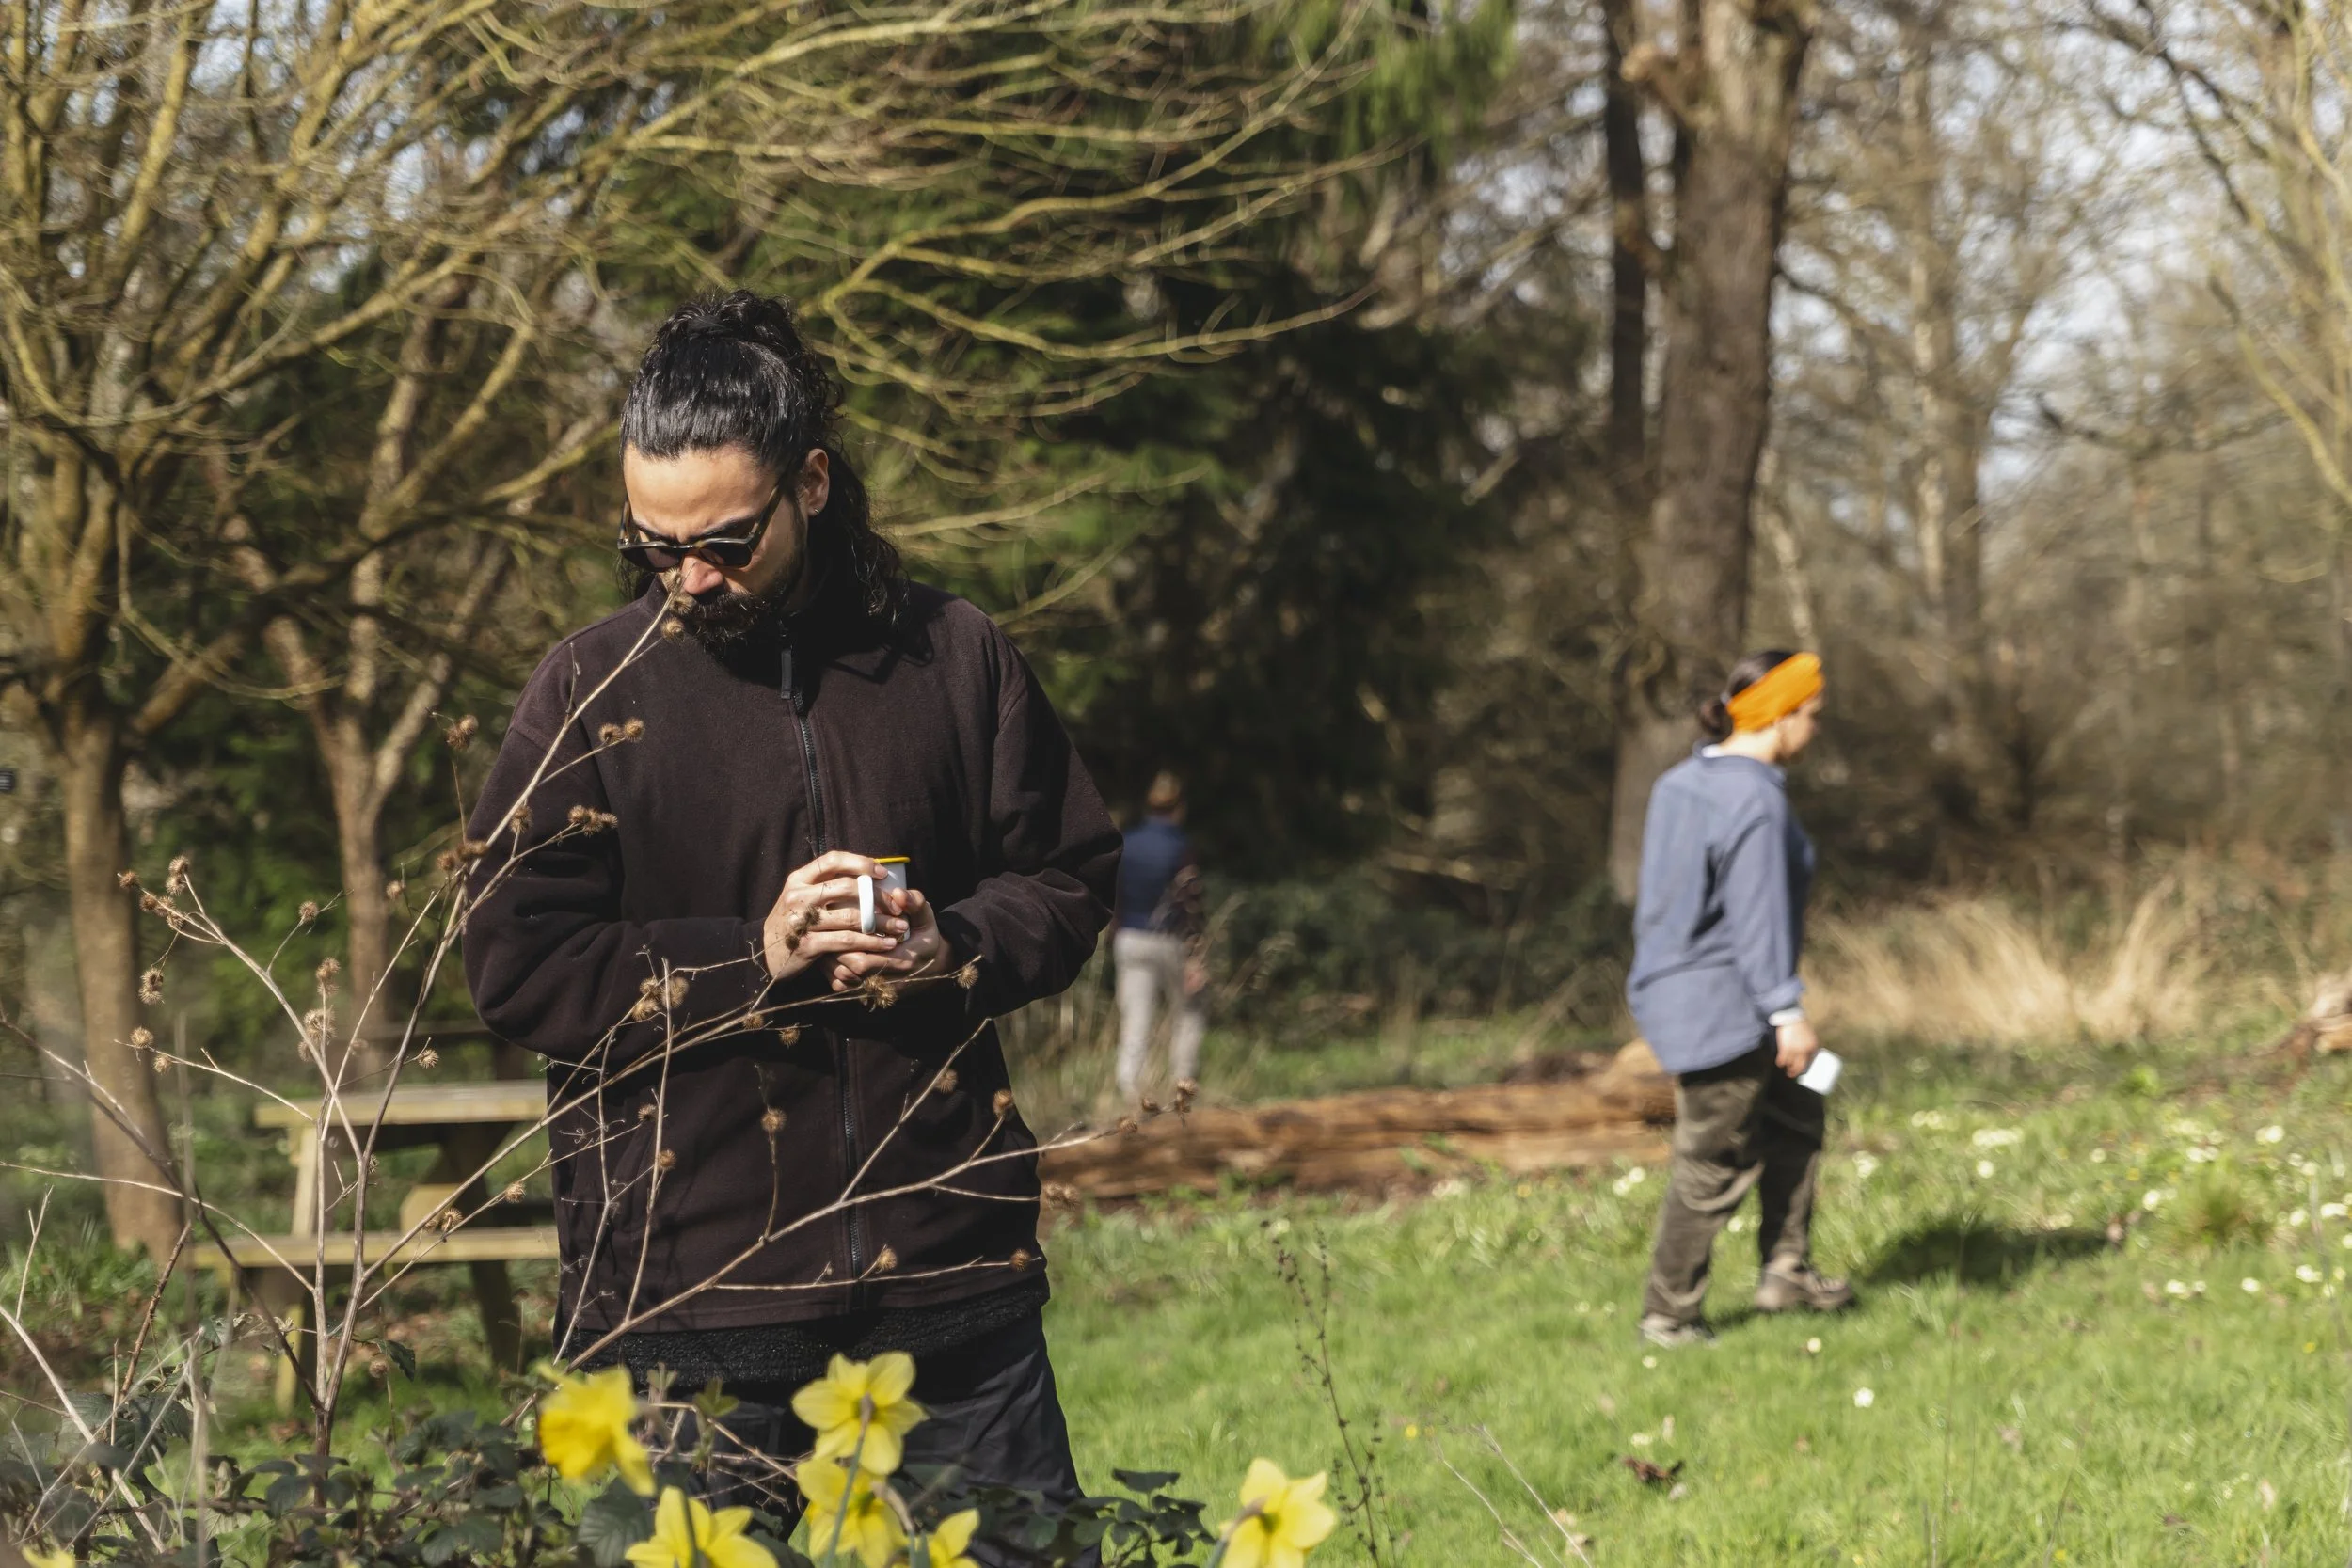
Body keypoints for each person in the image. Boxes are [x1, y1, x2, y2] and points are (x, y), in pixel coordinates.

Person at [461, 292, 1121, 1527]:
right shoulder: (585, 689)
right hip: (687, 1311)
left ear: (810, 481)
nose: (690, 578)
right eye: (653, 546)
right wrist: (751, 959)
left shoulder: (956, 654)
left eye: (723, 539)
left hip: (950, 1285)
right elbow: (515, 962)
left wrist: (952, 945)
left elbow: (1072, 877)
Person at [1624, 649, 1854, 1349]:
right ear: (1780, 715)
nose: (1814, 730)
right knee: (1711, 1159)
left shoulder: (1682, 782)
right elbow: (1758, 917)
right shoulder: (1756, 799)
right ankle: (1669, 1315)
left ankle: (1786, 1271)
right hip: (1733, 1006)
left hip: (1686, 991)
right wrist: (1788, 1013)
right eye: (1810, 716)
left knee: (1810, 1098)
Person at [1110, 773, 1206, 1101]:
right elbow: (1190, 904)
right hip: (1168, 940)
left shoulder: (1127, 842)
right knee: (1189, 1010)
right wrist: (1196, 954)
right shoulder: (1182, 847)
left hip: (1129, 939)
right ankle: (1183, 1083)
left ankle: (1129, 1088)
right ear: (1179, 807)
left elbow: (1115, 897)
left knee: (1136, 1017)